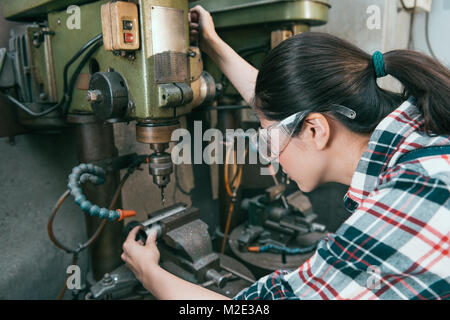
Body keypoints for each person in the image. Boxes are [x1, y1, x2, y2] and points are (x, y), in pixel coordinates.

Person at [121, 5, 450, 300]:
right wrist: (212, 43)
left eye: (268, 140)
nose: (270, 156)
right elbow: (283, 109)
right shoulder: (422, 131)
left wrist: (150, 273)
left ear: (314, 130)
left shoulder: (412, 199)